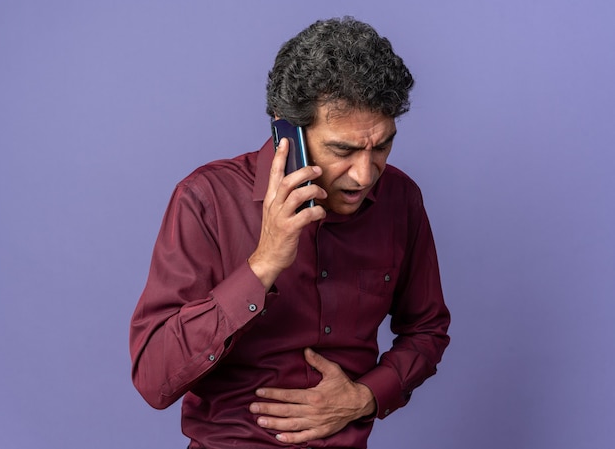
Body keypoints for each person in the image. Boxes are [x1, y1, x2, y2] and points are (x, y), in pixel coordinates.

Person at [130, 16, 450, 449]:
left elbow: (427, 330)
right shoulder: (206, 200)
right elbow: (153, 379)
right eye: (344, 149)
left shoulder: (401, 201)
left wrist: (365, 397)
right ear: (287, 131)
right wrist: (263, 265)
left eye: (383, 146)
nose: (364, 174)